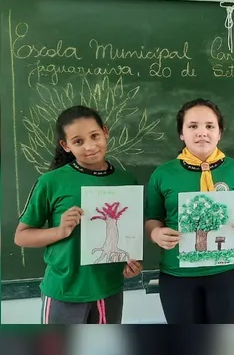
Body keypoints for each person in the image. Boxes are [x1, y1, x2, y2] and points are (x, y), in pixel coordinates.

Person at [14, 105, 143, 324]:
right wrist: (60, 230)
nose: (90, 146)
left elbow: (126, 236)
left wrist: (130, 264)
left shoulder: (126, 181)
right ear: (65, 145)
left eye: (94, 136)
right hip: (64, 291)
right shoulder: (51, 182)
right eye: (78, 141)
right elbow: (21, 236)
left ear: (105, 131)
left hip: (108, 289)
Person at [144, 98, 234, 324]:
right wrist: (156, 234)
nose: (202, 133)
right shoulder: (163, 174)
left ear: (220, 132)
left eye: (209, 126)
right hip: (178, 274)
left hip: (228, 271)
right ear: (181, 134)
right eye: (193, 126)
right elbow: (152, 219)